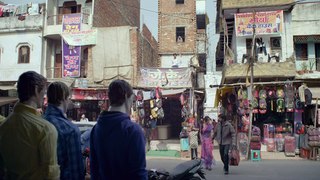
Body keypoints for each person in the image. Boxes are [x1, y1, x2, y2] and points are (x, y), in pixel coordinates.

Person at [0, 71, 60, 179]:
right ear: (37, 90)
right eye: (44, 92)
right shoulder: (45, 129)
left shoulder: (4, 126)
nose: (44, 96)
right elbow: (51, 175)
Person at [90, 80, 147, 180]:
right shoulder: (133, 130)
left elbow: (94, 169)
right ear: (126, 96)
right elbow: (139, 173)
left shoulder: (96, 129)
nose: (131, 104)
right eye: (131, 99)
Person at [44, 81, 84, 180]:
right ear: (63, 98)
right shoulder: (69, 129)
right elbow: (75, 170)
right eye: (68, 99)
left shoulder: (38, 123)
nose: (69, 102)